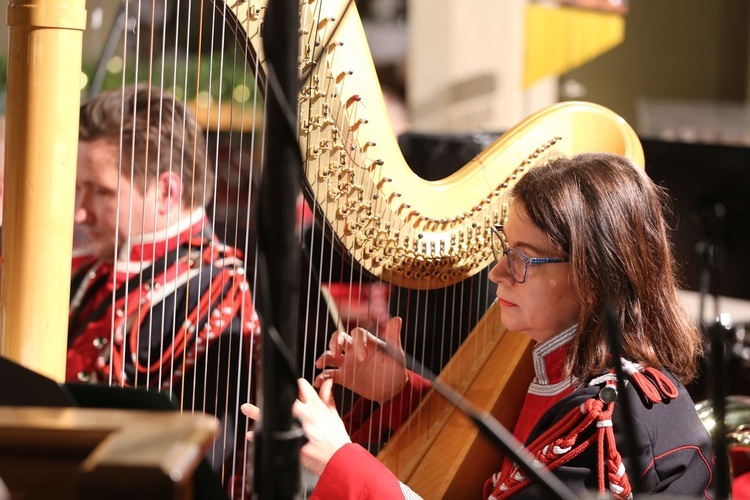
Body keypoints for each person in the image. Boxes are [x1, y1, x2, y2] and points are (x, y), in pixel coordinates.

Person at [242, 152, 715, 498]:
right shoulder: (557, 375)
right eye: (503, 249)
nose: (497, 273)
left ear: (592, 278)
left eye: (522, 259)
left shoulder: (610, 421)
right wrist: (398, 392)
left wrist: (340, 462)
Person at [68, 84, 260, 495]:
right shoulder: (85, 271)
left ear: (167, 193)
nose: (80, 210)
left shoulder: (222, 290)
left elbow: (205, 469)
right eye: (79, 188)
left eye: (100, 191)